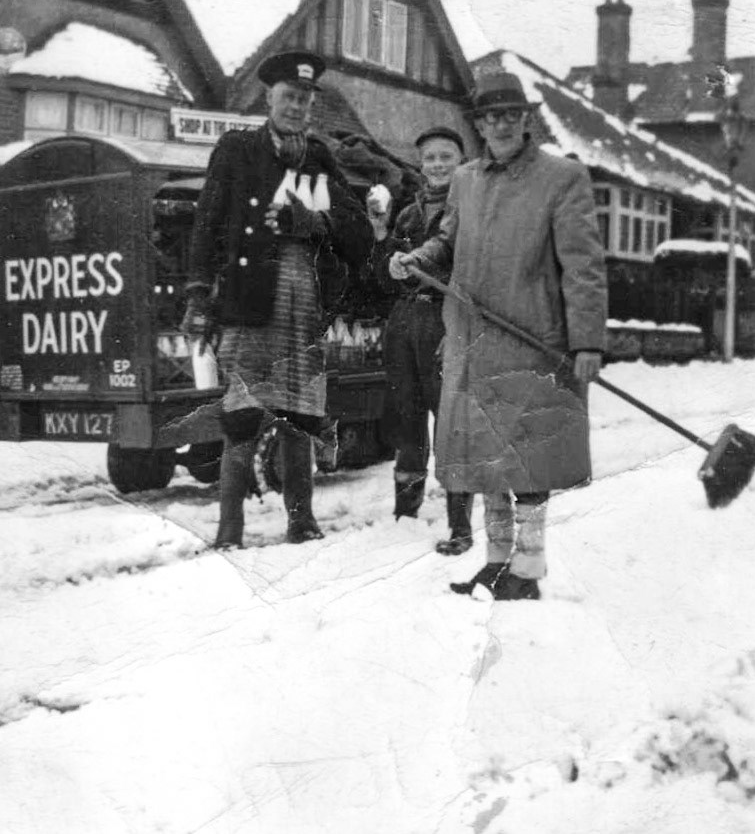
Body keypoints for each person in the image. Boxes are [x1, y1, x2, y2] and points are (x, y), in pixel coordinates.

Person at [390, 72, 607, 600]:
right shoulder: (465, 180)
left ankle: (527, 570)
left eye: (511, 115)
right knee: (485, 457)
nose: (501, 126)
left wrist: (587, 342)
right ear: (480, 125)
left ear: (526, 120)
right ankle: (494, 562)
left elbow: (583, 267)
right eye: (491, 118)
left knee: (528, 459)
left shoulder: (562, 178)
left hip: (533, 339)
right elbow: (447, 239)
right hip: (473, 339)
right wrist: (416, 258)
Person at [182, 51, 372, 547]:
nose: (296, 106)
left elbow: (358, 232)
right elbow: (206, 225)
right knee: (242, 415)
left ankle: (301, 521)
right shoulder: (237, 150)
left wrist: (313, 221)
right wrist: (198, 294)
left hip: (304, 303)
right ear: (269, 98)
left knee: (301, 416)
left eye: (304, 99)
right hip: (249, 302)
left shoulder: (318, 159)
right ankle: (229, 530)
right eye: (288, 96)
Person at [366, 126, 475, 554]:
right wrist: (381, 236)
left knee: (450, 421)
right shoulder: (409, 215)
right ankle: (405, 520)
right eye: (430, 158)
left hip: (447, 320)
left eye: (446, 156)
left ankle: (460, 527)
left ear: (462, 162)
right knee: (406, 419)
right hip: (405, 322)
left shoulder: (471, 209)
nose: (437, 165)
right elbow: (384, 280)